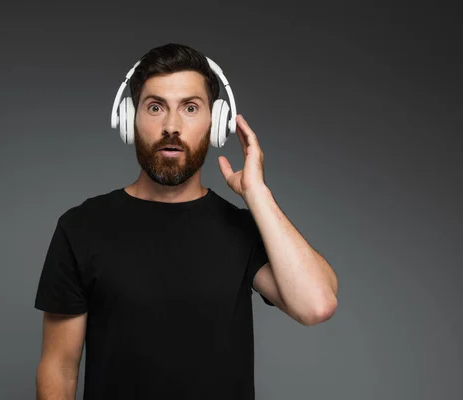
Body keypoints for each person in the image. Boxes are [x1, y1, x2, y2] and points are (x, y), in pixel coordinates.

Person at [34, 43, 338, 400]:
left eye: (190, 108)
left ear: (217, 122)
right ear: (130, 119)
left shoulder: (241, 229)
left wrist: (257, 193)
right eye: (155, 107)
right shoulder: (80, 228)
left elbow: (316, 304)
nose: (171, 126)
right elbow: (59, 368)